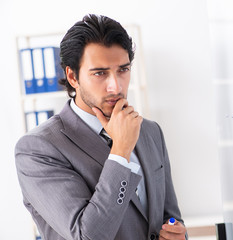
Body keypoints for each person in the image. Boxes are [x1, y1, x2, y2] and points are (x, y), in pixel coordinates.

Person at [15, 14, 187, 240]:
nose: (115, 86)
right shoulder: (38, 148)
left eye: (123, 70)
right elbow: (87, 236)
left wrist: (178, 234)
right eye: (100, 73)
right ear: (72, 77)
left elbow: (169, 217)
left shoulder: (149, 131)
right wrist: (121, 152)